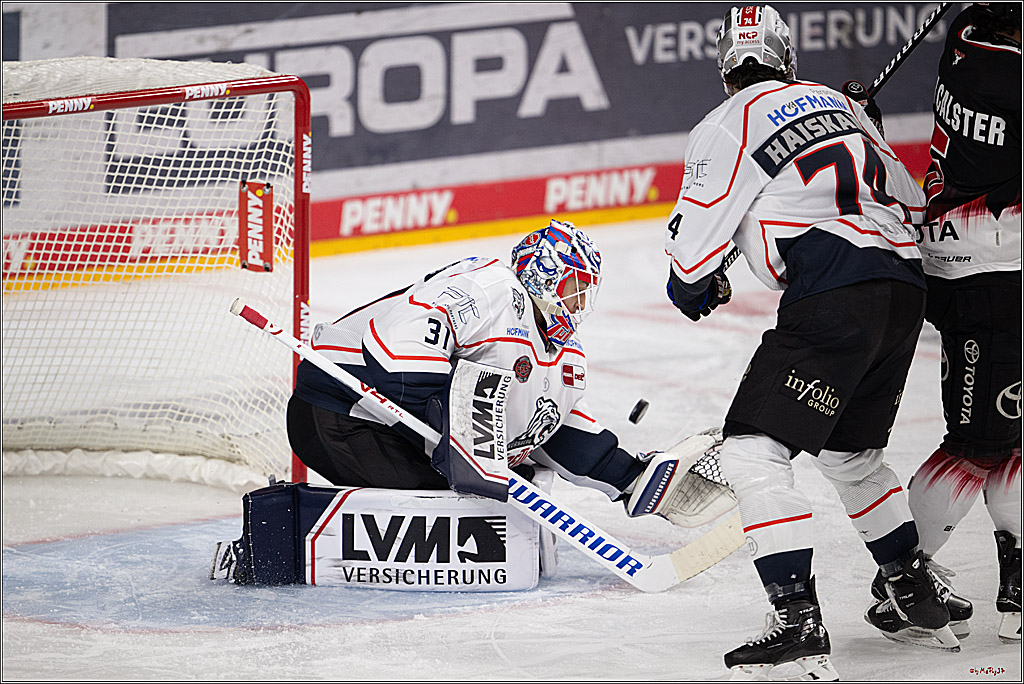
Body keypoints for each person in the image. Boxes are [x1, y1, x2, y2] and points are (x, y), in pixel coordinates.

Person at [661, 4, 956, 679]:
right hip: (904, 288)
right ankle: (911, 586)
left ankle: (795, 616)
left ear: (725, 67)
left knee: (751, 451)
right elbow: (911, 199)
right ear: (787, 56)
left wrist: (701, 287)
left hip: (834, 291)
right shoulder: (834, 102)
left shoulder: (723, 123)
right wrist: (867, 126)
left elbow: (688, 275)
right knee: (852, 455)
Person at [907, 1, 1021, 645]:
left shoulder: (965, 35)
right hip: (989, 278)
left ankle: (1018, 584)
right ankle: (900, 578)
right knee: (977, 444)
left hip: (961, 262)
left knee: (1011, 435)